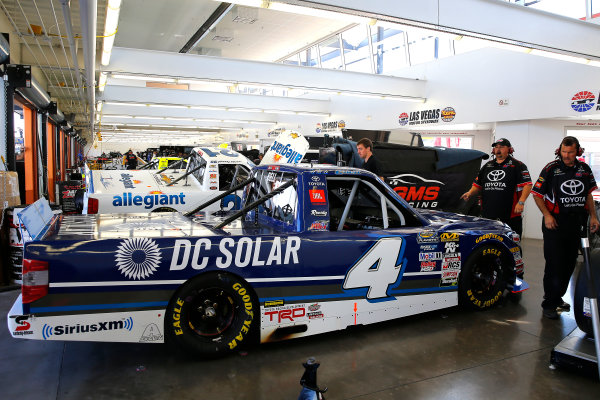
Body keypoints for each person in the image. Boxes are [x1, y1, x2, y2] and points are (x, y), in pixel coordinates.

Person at [532, 136, 599, 319]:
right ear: (559, 150)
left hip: (576, 223)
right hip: (555, 223)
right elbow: (537, 194)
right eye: (564, 152)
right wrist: (547, 215)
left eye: (570, 152)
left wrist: (593, 216)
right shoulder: (551, 169)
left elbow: (588, 195)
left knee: (570, 264)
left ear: (577, 151)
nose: (567, 155)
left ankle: (558, 297)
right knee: (554, 264)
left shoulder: (584, 169)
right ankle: (549, 304)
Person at [460, 138, 532, 236]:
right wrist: (470, 193)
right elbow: (477, 185)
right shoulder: (487, 166)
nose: (498, 149)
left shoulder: (518, 165)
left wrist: (521, 202)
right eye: (496, 147)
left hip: (510, 214)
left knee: (510, 242)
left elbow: (527, 185)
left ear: (509, 150)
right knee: (488, 241)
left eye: (501, 147)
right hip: (487, 214)